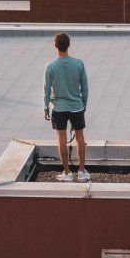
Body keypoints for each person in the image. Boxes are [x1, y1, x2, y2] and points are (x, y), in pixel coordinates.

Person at [42, 32, 89, 182]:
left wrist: (45, 107)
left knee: (61, 139)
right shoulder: (79, 63)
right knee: (80, 138)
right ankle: (81, 171)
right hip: (77, 107)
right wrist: (83, 105)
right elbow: (85, 88)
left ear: (55, 46)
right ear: (68, 45)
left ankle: (67, 173)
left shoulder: (50, 66)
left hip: (59, 108)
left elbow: (46, 89)